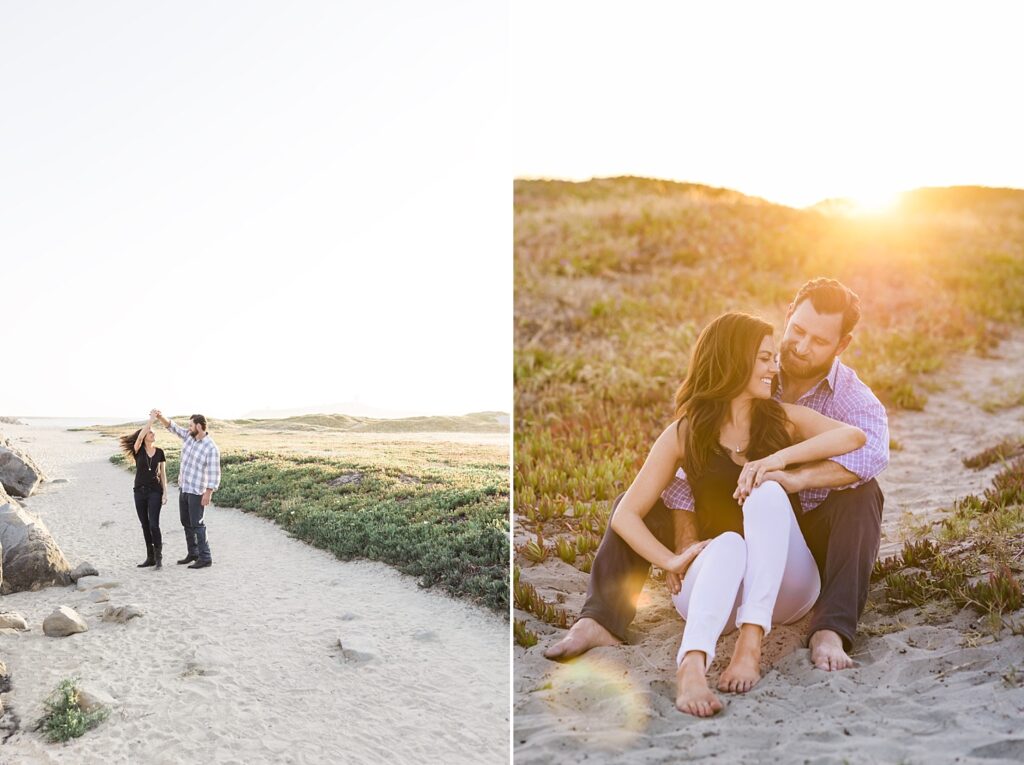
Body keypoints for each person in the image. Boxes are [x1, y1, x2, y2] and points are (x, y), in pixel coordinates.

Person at [545, 278, 889, 677]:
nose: (799, 346)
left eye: (818, 341)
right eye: (797, 330)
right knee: (637, 500)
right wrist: (683, 546)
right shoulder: (748, 367)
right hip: (725, 528)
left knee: (861, 493)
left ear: (841, 345)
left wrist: (789, 472)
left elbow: (868, 451)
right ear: (788, 315)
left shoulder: (848, 399)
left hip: (805, 536)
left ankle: (830, 627)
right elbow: (684, 472)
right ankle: (601, 619)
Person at [150, 409, 221, 569]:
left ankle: (205, 557)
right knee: (186, 522)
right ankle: (193, 553)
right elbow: (172, 427)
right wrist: (160, 417)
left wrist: (208, 493)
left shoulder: (211, 448)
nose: (188, 428)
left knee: (198, 524)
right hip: (185, 488)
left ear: (200, 427)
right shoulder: (189, 438)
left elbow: (214, 472)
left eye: (191, 426)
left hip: (197, 491)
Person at [118, 415, 167, 569]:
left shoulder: (160, 452)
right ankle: (150, 557)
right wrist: (151, 420)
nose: (153, 434)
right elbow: (139, 437)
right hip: (139, 492)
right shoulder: (138, 450)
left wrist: (165, 493)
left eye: (153, 432)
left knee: (154, 524)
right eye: (150, 432)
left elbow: (163, 474)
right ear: (144, 436)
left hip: (155, 491)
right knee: (145, 525)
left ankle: (159, 558)